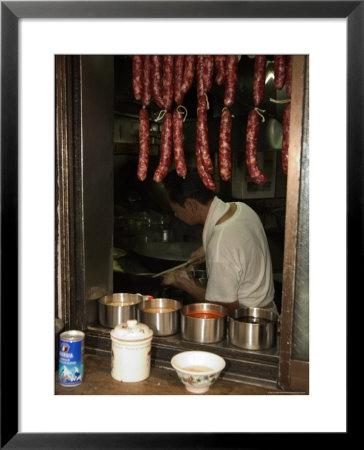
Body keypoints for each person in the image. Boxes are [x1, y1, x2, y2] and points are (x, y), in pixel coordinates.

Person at [163, 168, 276, 312]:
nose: (176, 214)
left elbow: (224, 307)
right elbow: (238, 242)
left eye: (176, 210)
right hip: (268, 313)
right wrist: (205, 249)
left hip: (248, 325)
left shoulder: (220, 244)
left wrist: (185, 284)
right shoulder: (241, 209)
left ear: (191, 205)